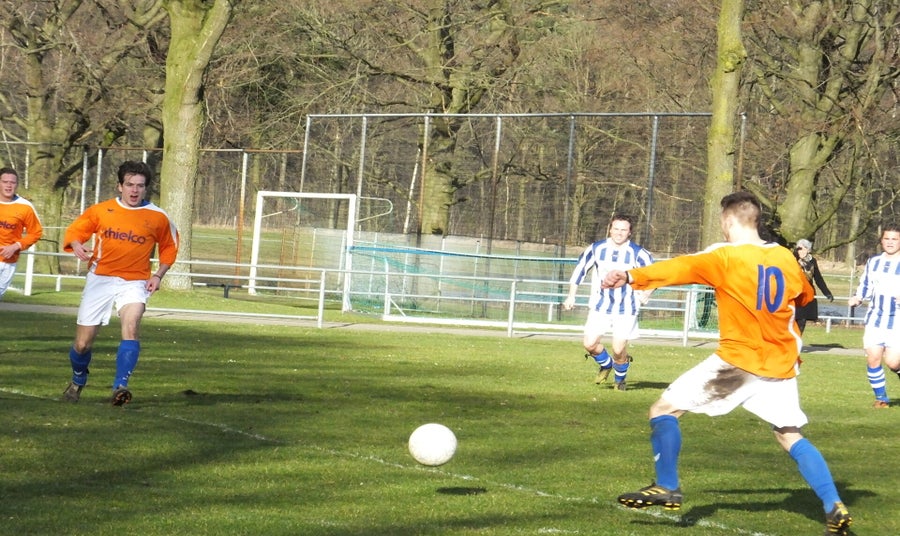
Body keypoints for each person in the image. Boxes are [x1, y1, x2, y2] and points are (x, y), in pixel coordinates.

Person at [602, 192, 851, 536]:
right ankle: (833, 505)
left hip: (739, 361)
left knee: (663, 410)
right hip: (781, 363)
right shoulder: (785, 257)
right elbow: (805, 296)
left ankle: (667, 485)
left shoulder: (724, 256)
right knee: (789, 434)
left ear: (729, 220)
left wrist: (631, 276)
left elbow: (681, 267)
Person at [61, 161, 179, 406]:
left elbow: (170, 246)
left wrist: (158, 275)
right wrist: (76, 244)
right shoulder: (101, 210)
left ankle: (120, 386)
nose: (134, 190)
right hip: (100, 279)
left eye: (140, 186)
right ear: (120, 186)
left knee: (131, 326)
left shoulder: (158, 216)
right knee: (82, 344)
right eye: (130, 185)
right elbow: (76, 231)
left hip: (135, 281)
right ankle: (78, 378)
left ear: (146, 188)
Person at [562, 214, 653, 391]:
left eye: (623, 230)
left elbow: (654, 275)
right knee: (589, 344)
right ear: (610, 229)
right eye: (616, 229)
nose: (619, 233)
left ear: (630, 232)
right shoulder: (597, 248)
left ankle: (620, 380)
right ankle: (606, 364)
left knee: (618, 350)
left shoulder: (638, 253)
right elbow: (580, 270)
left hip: (626, 307)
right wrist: (571, 295)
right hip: (600, 305)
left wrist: (647, 293)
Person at [847, 223, 900, 409]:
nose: (890, 242)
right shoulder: (874, 261)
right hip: (875, 318)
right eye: (887, 239)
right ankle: (881, 399)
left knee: (893, 362)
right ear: (881, 241)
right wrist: (858, 297)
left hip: (897, 320)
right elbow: (866, 284)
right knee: (873, 357)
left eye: (895, 239)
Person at [0, 167, 44, 299]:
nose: (9, 185)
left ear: (17, 185)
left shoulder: (25, 206)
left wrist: (16, 246)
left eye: (12, 182)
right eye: (5, 182)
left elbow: (36, 232)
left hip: (8, 260)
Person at [793, 238, 834, 334]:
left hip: (807, 294)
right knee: (792, 319)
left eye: (803, 249)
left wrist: (827, 293)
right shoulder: (793, 259)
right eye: (799, 249)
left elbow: (818, 278)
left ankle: (797, 340)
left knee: (802, 320)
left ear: (808, 250)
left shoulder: (812, 261)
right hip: (795, 293)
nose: (800, 251)